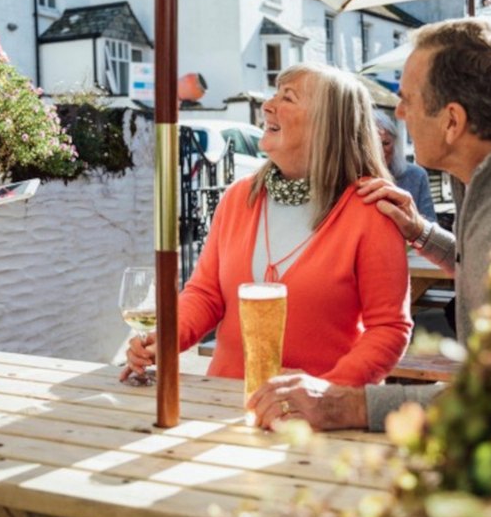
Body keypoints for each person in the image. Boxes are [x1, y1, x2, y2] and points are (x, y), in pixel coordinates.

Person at [248, 19, 491, 431]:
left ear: (452, 122)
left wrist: (349, 406)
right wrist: (422, 234)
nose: (400, 113)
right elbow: (489, 269)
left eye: (407, 100)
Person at [122, 64, 412, 389]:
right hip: (223, 400)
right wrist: (164, 339)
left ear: (326, 124)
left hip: (314, 422)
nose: (268, 105)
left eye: (287, 97)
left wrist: (330, 394)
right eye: (274, 94)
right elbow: (205, 295)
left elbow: (388, 329)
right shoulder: (238, 197)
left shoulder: (371, 209)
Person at [374, 109, 436, 222]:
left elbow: (430, 224)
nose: (380, 151)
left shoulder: (416, 176)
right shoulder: (353, 179)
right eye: (374, 145)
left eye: (386, 143)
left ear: (395, 143)